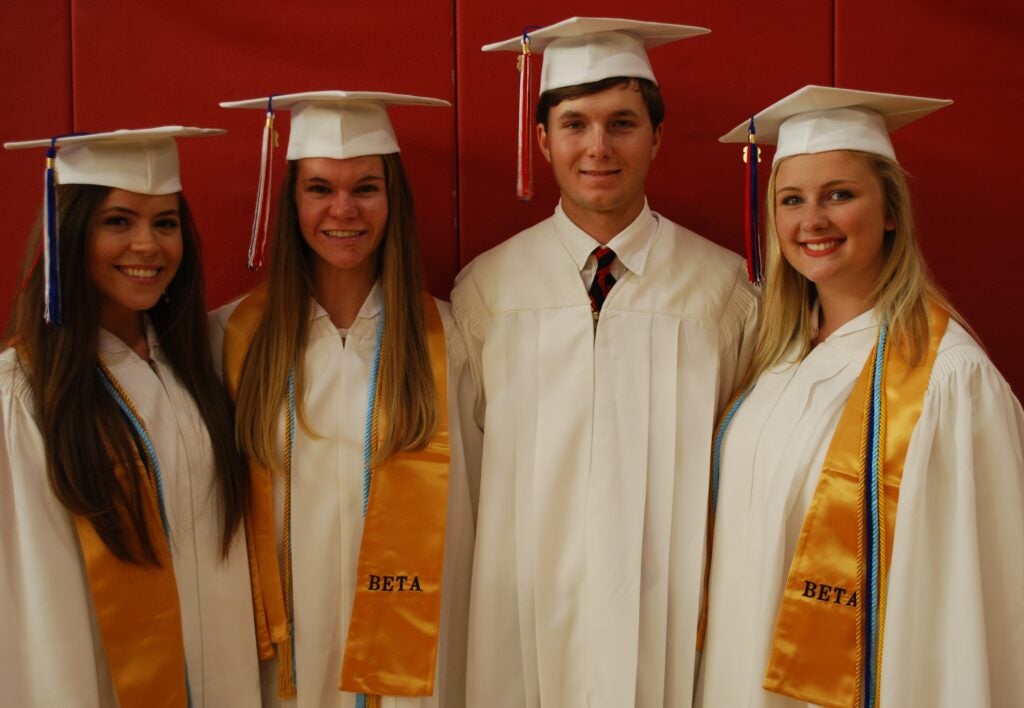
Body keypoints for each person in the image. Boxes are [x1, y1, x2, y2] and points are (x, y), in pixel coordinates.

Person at [452, 17, 759, 707]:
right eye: (575, 124)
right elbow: (463, 474)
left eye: (621, 123)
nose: (598, 147)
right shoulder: (487, 292)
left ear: (656, 137)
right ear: (542, 140)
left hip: (675, 621)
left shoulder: (725, 293)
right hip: (520, 619)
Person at [697, 85, 1024, 707]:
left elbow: (981, 592)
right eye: (792, 200)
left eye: (839, 195)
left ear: (890, 211)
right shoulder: (775, 361)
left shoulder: (947, 379)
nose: (811, 220)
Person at [211, 91, 478, 708]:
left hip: (417, 660)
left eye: (365, 187)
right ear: (291, 201)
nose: (343, 209)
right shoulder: (232, 340)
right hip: (284, 664)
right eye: (318, 188)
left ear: (393, 200)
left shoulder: (452, 339)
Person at [0, 127, 260, 706]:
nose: (148, 245)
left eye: (164, 223)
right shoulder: (24, 397)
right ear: (68, 234)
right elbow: (28, 603)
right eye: (118, 222)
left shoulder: (197, 369)